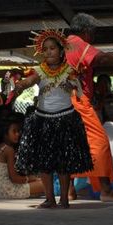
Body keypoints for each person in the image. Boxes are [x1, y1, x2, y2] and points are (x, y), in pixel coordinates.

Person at [14, 28, 93, 208]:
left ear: (61, 51)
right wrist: (21, 85)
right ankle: (49, 198)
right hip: (42, 120)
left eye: (53, 48)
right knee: (44, 162)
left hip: (65, 119)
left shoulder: (69, 71)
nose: (49, 51)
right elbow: (30, 81)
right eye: (46, 49)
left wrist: (69, 85)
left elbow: (76, 89)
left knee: (63, 163)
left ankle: (64, 199)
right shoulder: (39, 71)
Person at [66, 13, 113, 202]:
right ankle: (105, 189)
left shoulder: (65, 44)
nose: (94, 35)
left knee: (71, 144)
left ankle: (69, 190)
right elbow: (102, 59)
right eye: (93, 31)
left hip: (64, 101)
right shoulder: (79, 44)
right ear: (87, 31)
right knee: (100, 143)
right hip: (77, 100)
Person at [0, 116, 43, 199]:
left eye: (18, 131)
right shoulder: (9, 150)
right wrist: (30, 178)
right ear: (5, 134)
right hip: (5, 190)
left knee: (36, 189)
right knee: (44, 184)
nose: (18, 134)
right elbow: (14, 178)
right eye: (14, 131)